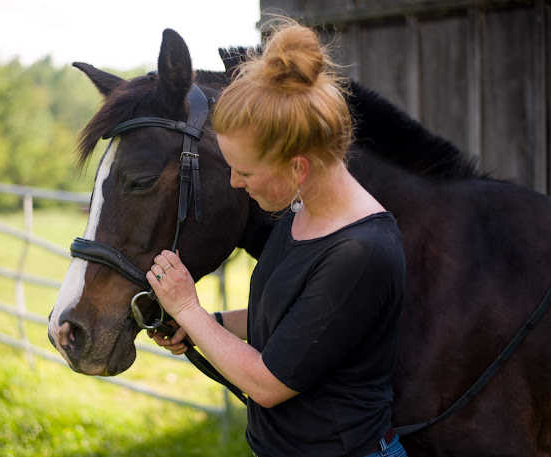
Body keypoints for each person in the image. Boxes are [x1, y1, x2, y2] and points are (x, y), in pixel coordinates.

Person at [146, 21, 407, 457]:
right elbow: (293, 322)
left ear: (298, 167)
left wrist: (188, 309)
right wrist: (205, 325)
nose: (235, 182)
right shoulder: (300, 212)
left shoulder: (361, 253)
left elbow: (267, 384)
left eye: (245, 171)